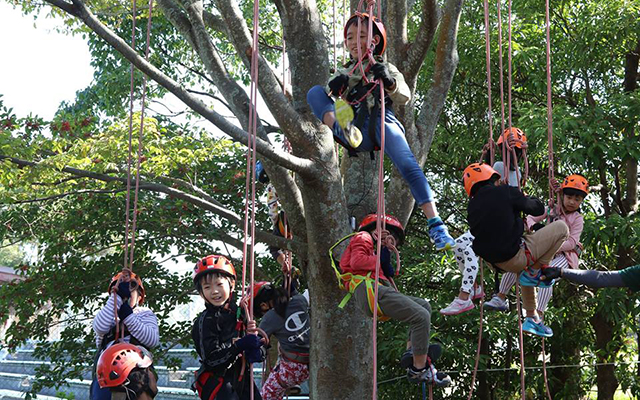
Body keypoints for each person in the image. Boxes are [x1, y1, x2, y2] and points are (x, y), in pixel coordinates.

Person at [306, 13, 455, 251]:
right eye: (350, 37)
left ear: (375, 41)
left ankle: (436, 225)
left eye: (362, 36)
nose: (355, 42)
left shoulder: (385, 67)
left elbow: (404, 96)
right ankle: (342, 127)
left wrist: (389, 81)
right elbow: (325, 94)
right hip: (355, 125)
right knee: (314, 92)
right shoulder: (345, 71)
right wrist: (334, 87)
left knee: (409, 166)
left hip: (381, 121)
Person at [336, 213, 451, 386]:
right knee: (421, 317)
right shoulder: (363, 236)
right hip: (369, 290)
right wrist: (380, 257)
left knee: (423, 306)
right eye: (391, 237)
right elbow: (357, 261)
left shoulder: (375, 249)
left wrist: (384, 257)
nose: (392, 243)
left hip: (377, 289)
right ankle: (418, 370)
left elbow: (384, 268)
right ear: (378, 231)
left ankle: (412, 352)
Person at [464, 163, 569, 337]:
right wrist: (524, 197)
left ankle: (531, 318)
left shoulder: (472, 206)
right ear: (493, 179)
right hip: (515, 256)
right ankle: (536, 271)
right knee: (561, 229)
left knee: (527, 263)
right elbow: (537, 208)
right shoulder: (505, 191)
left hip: (496, 264)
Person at [484, 175, 589, 331]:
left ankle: (537, 314)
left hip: (563, 256)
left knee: (547, 273)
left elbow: (572, 242)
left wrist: (550, 245)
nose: (572, 202)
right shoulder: (553, 208)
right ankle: (500, 296)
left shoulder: (577, 218)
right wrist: (531, 227)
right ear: (562, 196)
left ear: (581, 201)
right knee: (519, 262)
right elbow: (533, 217)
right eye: (569, 197)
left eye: (577, 199)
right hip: (544, 251)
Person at [440, 128, 526, 315]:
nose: (512, 156)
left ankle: (464, 296)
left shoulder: (517, 174)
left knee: (468, 248)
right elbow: (487, 180)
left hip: (501, 227)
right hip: (493, 223)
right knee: (458, 244)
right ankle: (475, 287)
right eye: (509, 151)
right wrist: (487, 157)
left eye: (516, 153)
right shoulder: (499, 165)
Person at [191, 255, 264, 400]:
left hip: (243, 382)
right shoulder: (205, 321)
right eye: (207, 287)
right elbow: (211, 360)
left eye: (219, 284)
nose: (214, 291)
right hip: (220, 385)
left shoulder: (241, 314)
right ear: (201, 293)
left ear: (231, 284)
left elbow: (258, 343)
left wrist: (258, 348)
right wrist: (239, 346)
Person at [91, 270, 159, 400]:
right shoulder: (108, 316)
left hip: (137, 372)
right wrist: (116, 298)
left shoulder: (144, 313)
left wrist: (128, 317)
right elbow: (99, 327)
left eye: (131, 290)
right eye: (120, 291)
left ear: (140, 297)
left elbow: (152, 339)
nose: (126, 295)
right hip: (108, 371)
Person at [252, 282, 310, 400]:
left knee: (266, 395)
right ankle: (290, 383)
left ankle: (288, 382)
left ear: (264, 305)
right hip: (311, 358)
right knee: (281, 345)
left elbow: (256, 343)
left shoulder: (269, 317)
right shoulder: (299, 300)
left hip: (295, 367)